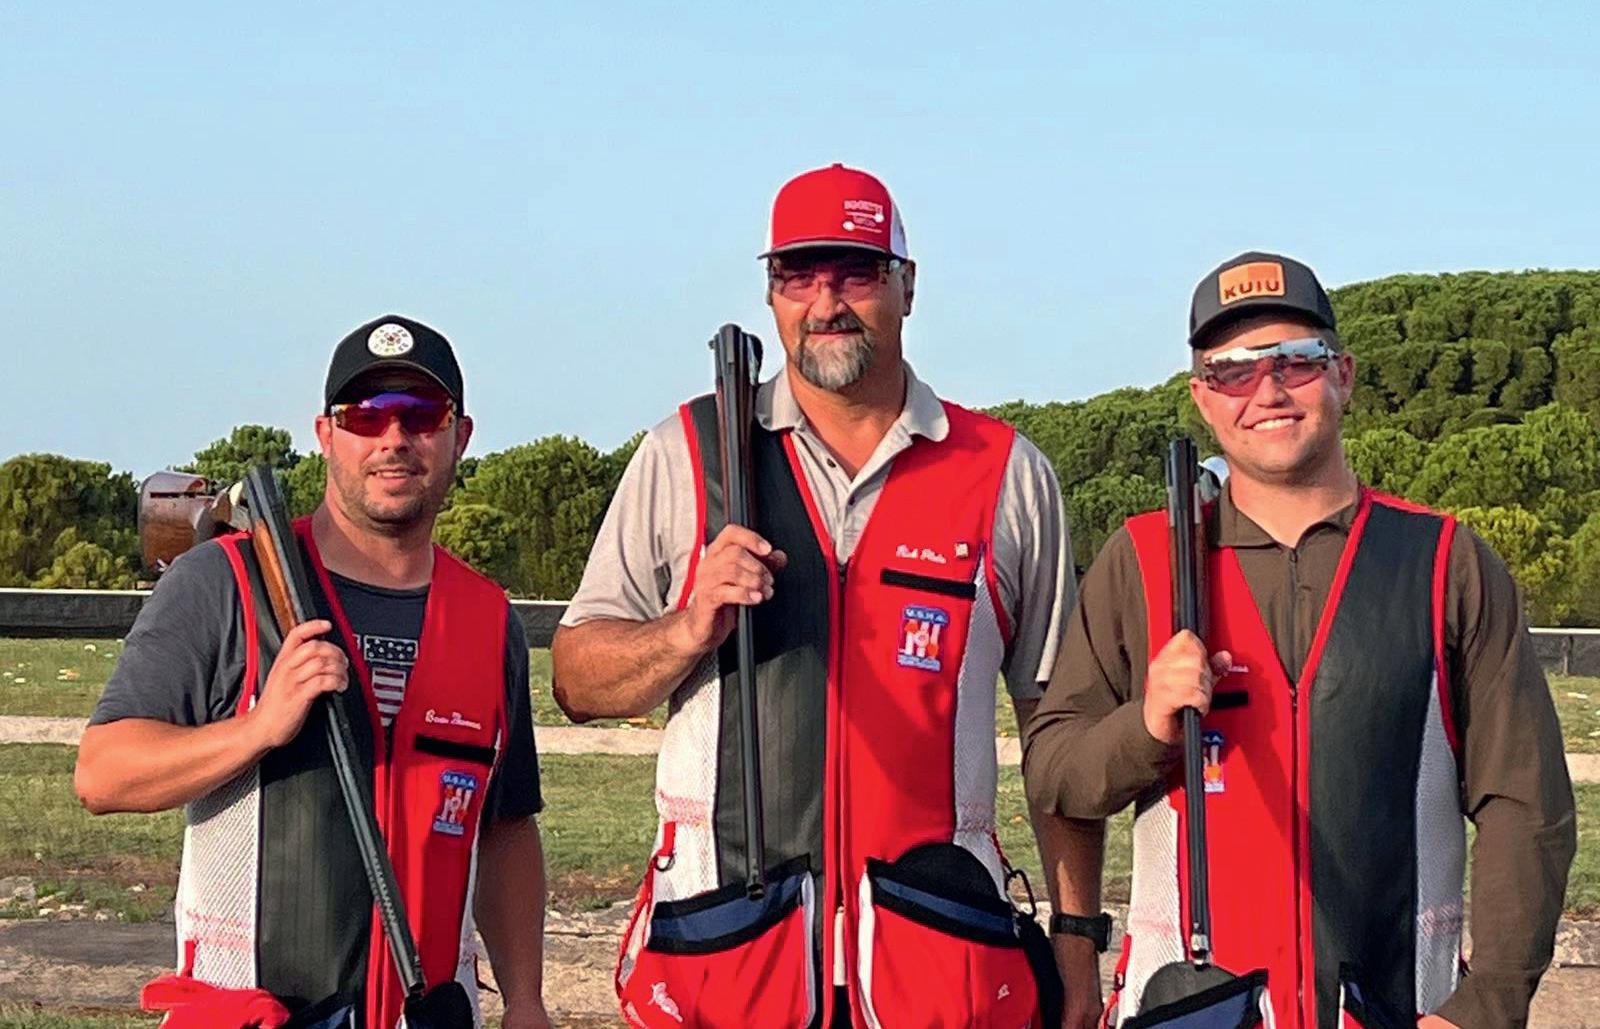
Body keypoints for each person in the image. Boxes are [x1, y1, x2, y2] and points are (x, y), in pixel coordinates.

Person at [552, 162, 1091, 1028]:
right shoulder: (686, 453)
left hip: (937, 968)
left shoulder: (1004, 473)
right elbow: (577, 679)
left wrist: (1077, 939)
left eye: (857, 272)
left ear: (907, 285)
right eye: (797, 274)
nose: (826, 301)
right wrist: (687, 628)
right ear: (770, 292)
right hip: (726, 960)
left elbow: (1055, 734)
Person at [1022, 252, 1577, 1028]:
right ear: (1202, 399)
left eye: (1296, 360)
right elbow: (1054, 772)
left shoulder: (1444, 563)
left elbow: (1527, 803)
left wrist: (1486, 1004)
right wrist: (1145, 727)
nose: (1268, 391)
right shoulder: (1142, 562)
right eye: (1232, 371)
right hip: (1191, 1010)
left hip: (1397, 1006)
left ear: (1343, 375)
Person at [76, 315, 550, 1029]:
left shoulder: (488, 619)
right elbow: (103, 772)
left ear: (460, 435)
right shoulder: (223, 582)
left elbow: (506, 823)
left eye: (422, 413)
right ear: (327, 434)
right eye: (366, 415)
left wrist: (526, 1000)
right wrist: (258, 729)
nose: (394, 438)